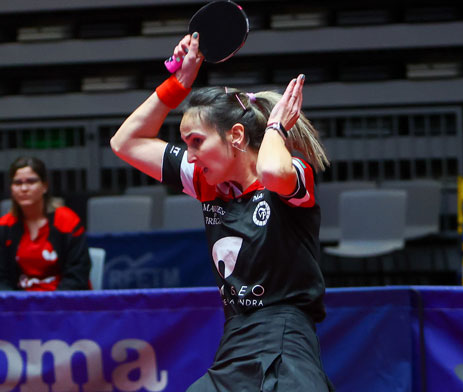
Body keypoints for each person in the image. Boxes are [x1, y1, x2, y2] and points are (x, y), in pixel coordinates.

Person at [110, 33, 334, 391]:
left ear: (236, 136)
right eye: (186, 144)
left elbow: (273, 173)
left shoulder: (291, 172)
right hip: (235, 341)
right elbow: (126, 143)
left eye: (197, 141)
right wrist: (177, 85)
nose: (190, 154)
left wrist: (275, 128)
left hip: (284, 341)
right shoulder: (207, 182)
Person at [0, 156, 91, 291]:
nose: (24, 188)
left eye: (31, 181)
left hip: (62, 303)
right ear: (11, 189)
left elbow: (78, 275)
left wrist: (51, 304)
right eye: (18, 183)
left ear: (44, 186)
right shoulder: (3, 227)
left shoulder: (68, 221)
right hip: (21, 305)